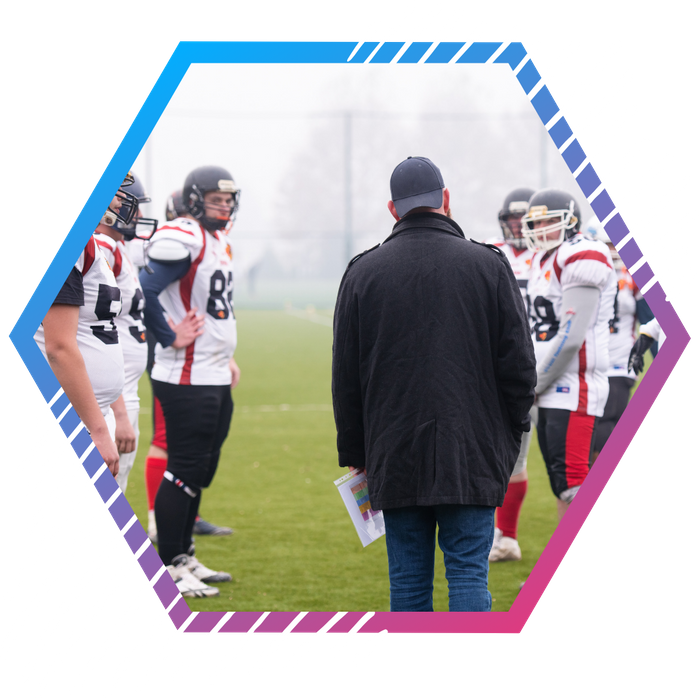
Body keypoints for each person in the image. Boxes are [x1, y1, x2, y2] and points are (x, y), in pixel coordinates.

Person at [331, 156, 536, 612]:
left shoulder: (362, 272)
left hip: (394, 449)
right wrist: (508, 434)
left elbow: (345, 380)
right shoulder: (489, 264)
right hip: (472, 448)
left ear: (392, 209)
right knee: (468, 573)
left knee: (407, 583)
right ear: (446, 200)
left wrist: (356, 456)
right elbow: (520, 367)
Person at [140, 165, 242, 598]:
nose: (225, 206)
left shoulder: (217, 240)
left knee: (201, 468)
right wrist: (168, 334)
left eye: (228, 199)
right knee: (183, 468)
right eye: (217, 199)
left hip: (213, 370)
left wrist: (227, 354)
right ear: (196, 199)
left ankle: (184, 554)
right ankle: (168, 565)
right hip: (186, 374)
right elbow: (143, 290)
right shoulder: (183, 234)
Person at [521, 189, 617, 521]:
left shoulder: (583, 254)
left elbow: (572, 336)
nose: (540, 228)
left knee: (576, 487)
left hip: (572, 384)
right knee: (563, 486)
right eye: (536, 222)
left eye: (548, 220)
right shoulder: (542, 258)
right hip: (550, 385)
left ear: (570, 221)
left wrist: (536, 383)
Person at [34, 177, 140, 479]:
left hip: (92, 410)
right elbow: (59, 347)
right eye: (114, 188)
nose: (120, 200)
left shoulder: (90, 244)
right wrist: (96, 429)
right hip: (75, 415)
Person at [93, 171, 156, 493]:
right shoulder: (101, 247)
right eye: (130, 204)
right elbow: (96, 330)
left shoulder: (118, 249)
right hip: (110, 400)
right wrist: (119, 411)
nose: (139, 215)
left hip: (122, 393)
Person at [485, 187, 536, 563]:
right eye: (513, 219)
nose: (519, 226)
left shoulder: (555, 254)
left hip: (551, 365)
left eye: (526, 218)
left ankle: (507, 536)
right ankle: (504, 537)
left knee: (556, 462)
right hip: (505, 366)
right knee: (501, 455)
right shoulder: (490, 252)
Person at [584, 216, 643, 464]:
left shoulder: (633, 276)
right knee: (590, 426)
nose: (611, 251)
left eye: (614, 244)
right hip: (590, 360)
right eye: (605, 244)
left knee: (608, 422)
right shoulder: (583, 272)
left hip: (619, 360)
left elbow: (654, 319)